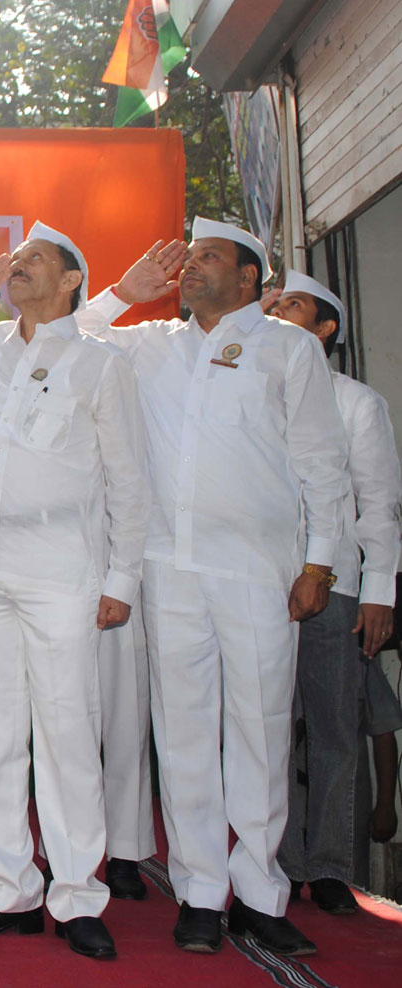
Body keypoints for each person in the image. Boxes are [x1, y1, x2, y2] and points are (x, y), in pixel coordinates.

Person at [79, 218, 350, 957]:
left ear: (250, 279)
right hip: (171, 569)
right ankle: (201, 892)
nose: (191, 267)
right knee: (186, 733)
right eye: (189, 257)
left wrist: (319, 563)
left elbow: (322, 462)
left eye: (208, 258)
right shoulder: (147, 345)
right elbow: (62, 337)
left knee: (260, 731)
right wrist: (120, 293)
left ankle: (261, 893)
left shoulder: (288, 348)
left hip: (260, 571)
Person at [0, 225, 148, 960]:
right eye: (13, 262)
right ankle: (9, 891)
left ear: (72, 282)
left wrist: (121, 579)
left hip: (62, 573)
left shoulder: (98, 365)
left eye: (34, 263)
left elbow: (128, 482)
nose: (18, 270)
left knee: (65, 735)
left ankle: (79, 897)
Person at [267, 272, 401, 913]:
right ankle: (278, 863)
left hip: (337, 588)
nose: (278, 308)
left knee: (333, 730)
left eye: (293, 304)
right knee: (266, 730)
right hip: (262, 585)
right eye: (275, 300)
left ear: (326, 330)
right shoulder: (258, 392)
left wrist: (379, 590)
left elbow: (378, 505)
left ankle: (326, 867)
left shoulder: (357, 403)